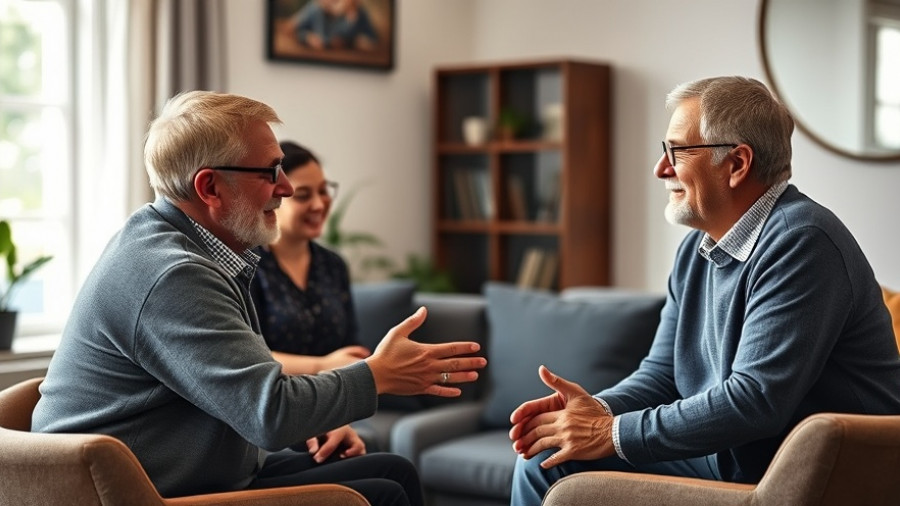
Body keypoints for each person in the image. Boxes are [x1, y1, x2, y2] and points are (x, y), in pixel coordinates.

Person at [31, 90, 486, 506]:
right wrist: (379, 375)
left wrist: (319, 413)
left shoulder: (174, 242)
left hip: (183, 470)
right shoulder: (174, 275)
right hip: (136, 492)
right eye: (271, 172)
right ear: (209, 187)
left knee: (393, 470)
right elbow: (270, 413)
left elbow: (245, 389)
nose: (285, 188)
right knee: (382, 493)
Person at [508, 76, 900, 505]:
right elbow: (662, 375)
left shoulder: (803, 240)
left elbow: (755, 400)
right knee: (547, 455)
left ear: (736, 164)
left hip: (816, 471)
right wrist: (594, 413)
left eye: (676, 151)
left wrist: (609, 433)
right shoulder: (697, 250)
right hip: (738, 456)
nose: (662, 169)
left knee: (553, 462)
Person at [250, 141, 367, 376]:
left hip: (336, 400)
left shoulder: (333, 264)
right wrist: (322, 366)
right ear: (273, 199)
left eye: (323, 191)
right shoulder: (247, 266)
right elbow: (245, 357)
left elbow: (350, 348)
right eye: (303, 196)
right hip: (275, 400)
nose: (319, 204)